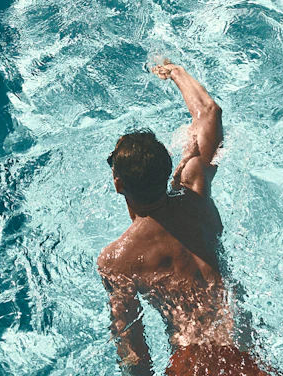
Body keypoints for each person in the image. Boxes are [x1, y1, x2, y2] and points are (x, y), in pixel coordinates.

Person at [98, 62, 272, 376]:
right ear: (166, 171)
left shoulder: (116, 260)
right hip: (244, 348)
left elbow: (133, 350)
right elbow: (210, 113)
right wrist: (175, 71)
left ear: (118, 184)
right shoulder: (195, 194)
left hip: (195, 362)